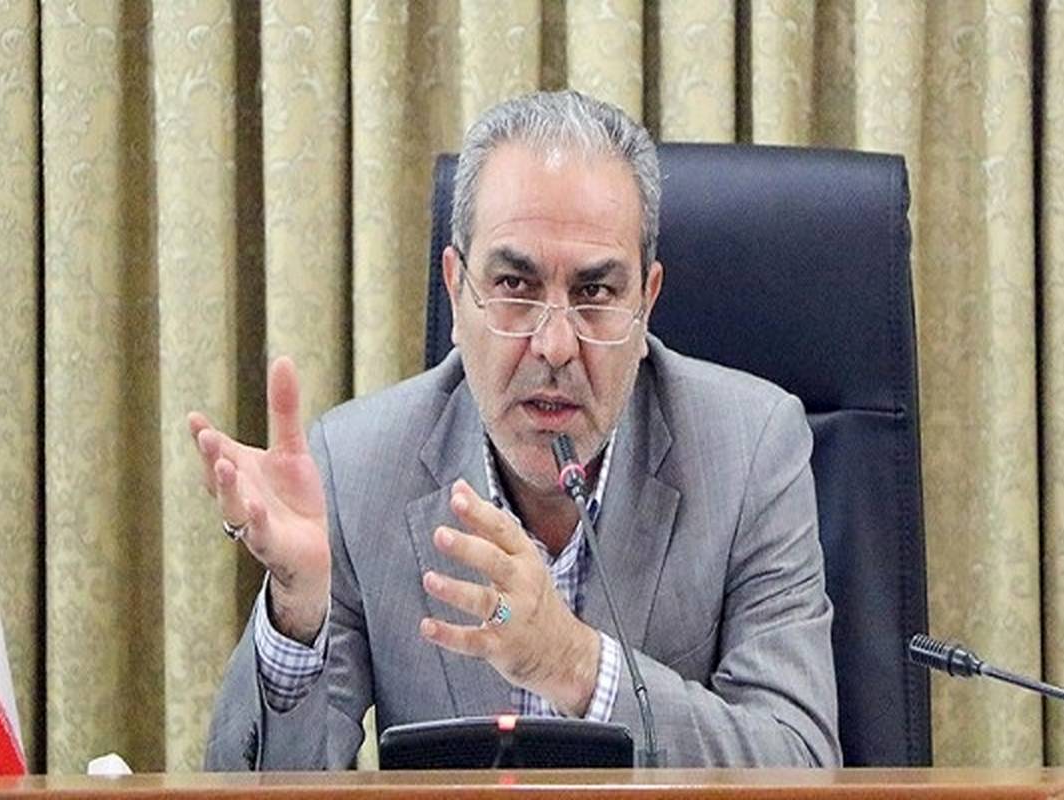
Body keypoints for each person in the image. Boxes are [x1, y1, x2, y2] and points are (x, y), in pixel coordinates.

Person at [193, 90, 840, 770]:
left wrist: (575, 664)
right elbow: (257, 788)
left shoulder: (752, 451)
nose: (555, 346)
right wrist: (298, 615)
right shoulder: (357, 467)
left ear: (645, 304)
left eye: (595, 293)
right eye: (515, 285)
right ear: (456, 291)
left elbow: (799, 761)